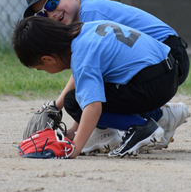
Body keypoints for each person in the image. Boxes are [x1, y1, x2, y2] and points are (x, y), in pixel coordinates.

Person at [22, 0, 190, 153]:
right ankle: (153, 119)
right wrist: (72, 129)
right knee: (90, 90)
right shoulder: (82, 17)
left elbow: (86, 81)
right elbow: (87, 78)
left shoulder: (90, 14)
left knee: (81, 98)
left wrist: (57, 106)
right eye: (42, 15)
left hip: (169, 56)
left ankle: (154, 120)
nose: (51, 15)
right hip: (159, 65)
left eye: (52, 3)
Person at [13, 17, 180, 159]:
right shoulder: (83, 31)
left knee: (73, 101)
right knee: (83, 95)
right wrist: (72, 132)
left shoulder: (81, 56)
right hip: (168, 71)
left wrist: (74, 148)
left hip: (153, 84)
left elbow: (93, 107)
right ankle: (157, 116)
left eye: (39, 68)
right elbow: (86, 85)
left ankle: (141, 127)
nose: (43, 71)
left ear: (48, 59)